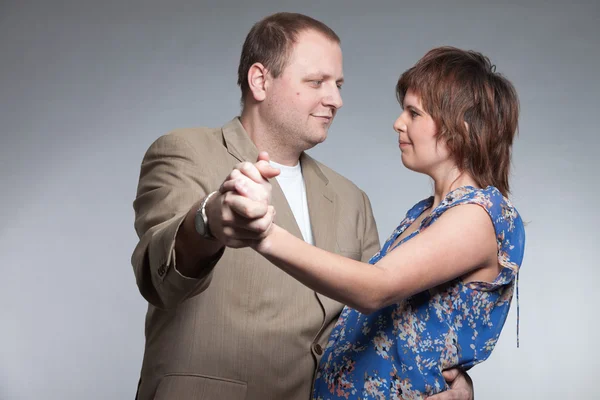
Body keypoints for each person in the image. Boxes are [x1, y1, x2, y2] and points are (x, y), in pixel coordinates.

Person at [131, 12, 473, 400]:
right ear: (260, 80)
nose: (336, 100)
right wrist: (209, 220)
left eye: (338, 85)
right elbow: (158, 275)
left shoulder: (352, 200)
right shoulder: (185, 152)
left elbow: (380, 325)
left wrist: (447, 383)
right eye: (316, 83)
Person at [220, 46, 525, 399]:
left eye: (414, 113)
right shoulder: (423, 213)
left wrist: (265, 234)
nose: (398, 123)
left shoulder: (481, 213)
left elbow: (376, 289)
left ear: (463, 128)